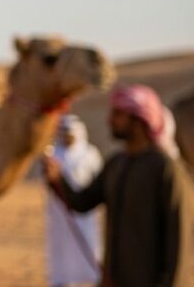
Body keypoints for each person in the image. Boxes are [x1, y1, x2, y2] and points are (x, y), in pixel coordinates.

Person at [43, 85, 194, 287]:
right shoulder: (116, 164)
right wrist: (57, 179)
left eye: (118, 114)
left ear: (139, 119)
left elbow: (180, 238)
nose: (110, 120)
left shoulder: (166, 169)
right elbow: (81, 203)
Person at [45, 115, 103, 286]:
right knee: (62, 253)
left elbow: (99, 184)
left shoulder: (90, 154)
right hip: (59, 215)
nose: (67, 137)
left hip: (86, 211)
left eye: (70, 133)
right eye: (64, 133)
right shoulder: (54, 154)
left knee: (89, 249)